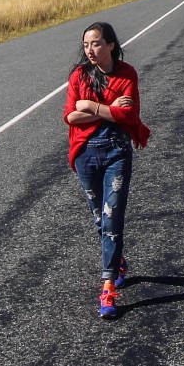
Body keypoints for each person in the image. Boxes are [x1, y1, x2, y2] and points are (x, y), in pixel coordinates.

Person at [65, 20, 150, 318]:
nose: (90, 50)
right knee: (100, 220)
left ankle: (108, 286)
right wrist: (106, 108)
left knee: (112, 217)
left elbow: (129, 114)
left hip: (116, 152)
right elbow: (71, 117)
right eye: (87, 44)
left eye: (97, 43)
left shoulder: (126, 74)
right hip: (85, 154)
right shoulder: (78, 75)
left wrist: (89, 105)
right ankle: (118, 262)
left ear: (111, 45)